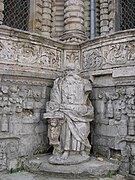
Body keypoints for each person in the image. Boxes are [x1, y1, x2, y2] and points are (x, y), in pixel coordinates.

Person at [45, 63, 94, 164]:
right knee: (66, 132)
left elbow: (86, 99)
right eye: (67, 71)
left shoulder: (85, 83)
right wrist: (56, 107)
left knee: (83, 129)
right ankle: (66, 150)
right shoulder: (59, 82)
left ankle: (82, 150)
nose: (70, 73)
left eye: (72, 70)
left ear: (77, 71)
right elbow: (55, 97)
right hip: (65, 110)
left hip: (80, 112)